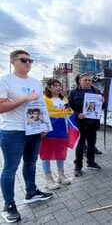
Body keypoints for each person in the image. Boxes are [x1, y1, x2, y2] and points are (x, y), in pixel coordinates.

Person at [0, 50, 53, 223]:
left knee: (30, 163)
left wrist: (44, 125)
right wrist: (25, 98)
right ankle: (8, 205)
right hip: (12, 131)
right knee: (10, 168)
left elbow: (40, 106)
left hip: (34, 130)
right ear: (13, 61)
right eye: (24, 60)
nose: (28, 63)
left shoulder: (36, 82)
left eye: (31, 60)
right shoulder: (5, 80)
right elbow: (1, 107)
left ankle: (31, 192)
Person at [69, 73, 103, 177]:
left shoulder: (96, 92)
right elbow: (69, 108)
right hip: (80, 123)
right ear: (80, 81)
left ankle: (91, 162)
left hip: (93, 123)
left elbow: (102, 107)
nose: (88, 82)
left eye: (90, 80)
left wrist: (103, 101)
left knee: (92, 144)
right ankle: (78, 167)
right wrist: (77, 114)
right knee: (80, 146)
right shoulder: (73, 93)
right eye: (86, 80)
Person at [41, 79, 73, 190]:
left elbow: (69, 112)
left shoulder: (63, 98)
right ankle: (48, 179)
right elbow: (43, 113)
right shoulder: (44, 99)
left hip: (62, 130)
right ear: (49, 87)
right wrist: (61, 112)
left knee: (61, 152)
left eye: (60, 86)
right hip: (48, 130)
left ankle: (61, 175)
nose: (59, 88)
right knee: (46, 154)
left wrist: (66, 111)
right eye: (56, 86)